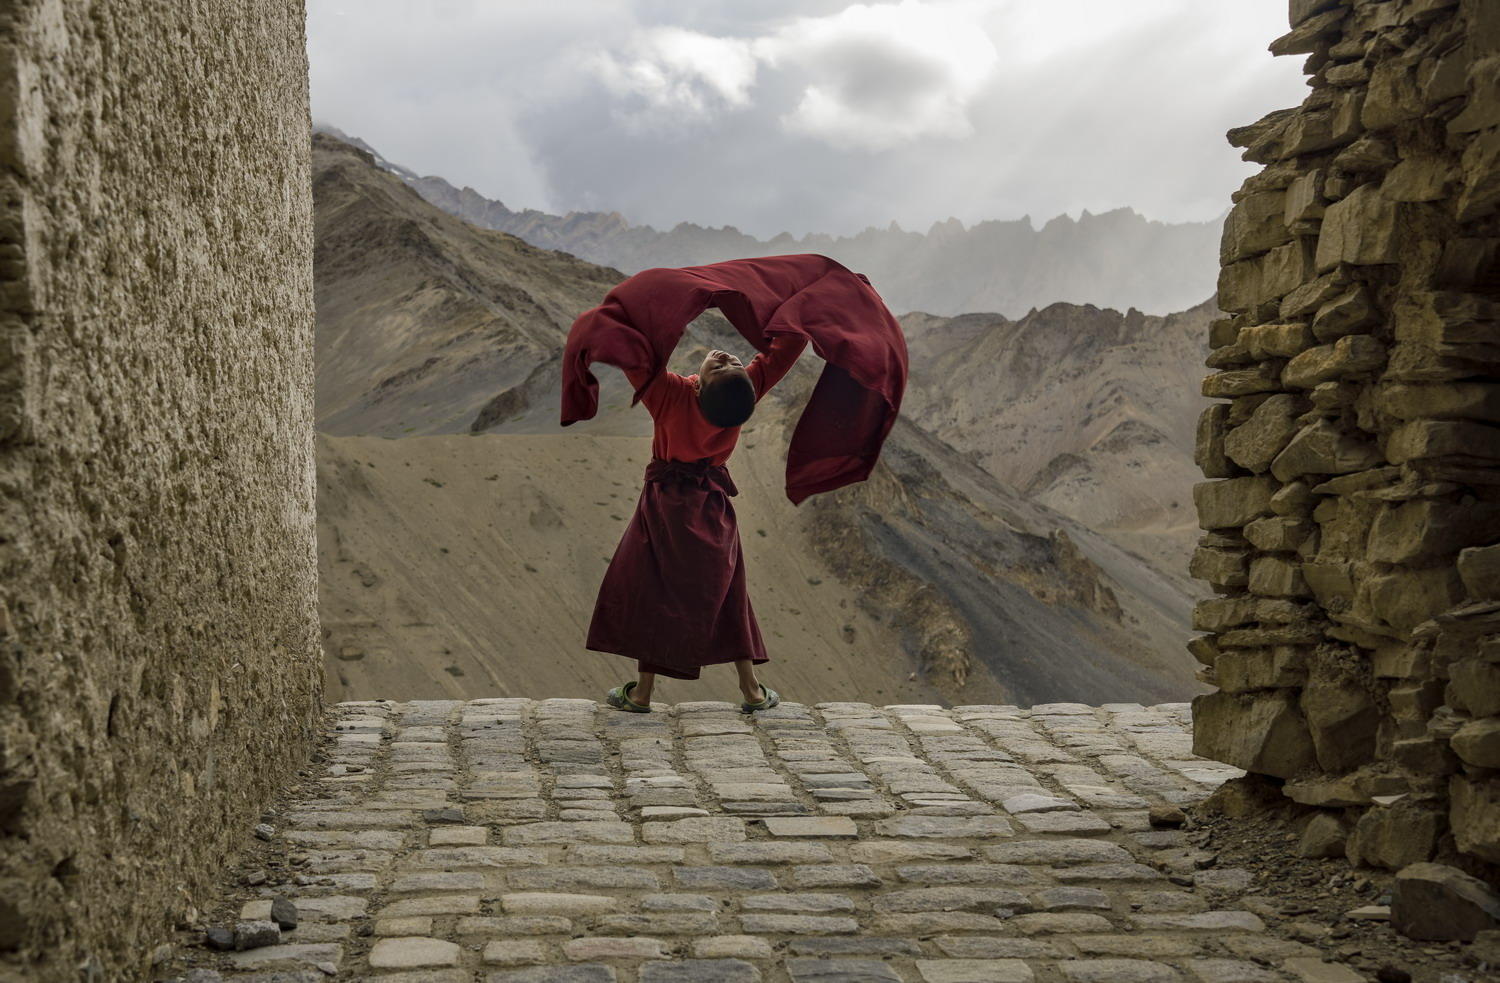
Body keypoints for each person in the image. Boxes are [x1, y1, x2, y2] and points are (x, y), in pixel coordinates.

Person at [588, 337, 807, 713]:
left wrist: (655, 315)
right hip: (712, 508)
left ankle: (642, 693)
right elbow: (784, 351)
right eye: (729, 364)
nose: (727, 359)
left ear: (702, 387)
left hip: (664, 508)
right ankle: (751, 690)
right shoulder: (742, 394)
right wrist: (797, 314)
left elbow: (635, 355)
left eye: (726, 367)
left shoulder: (671, 394)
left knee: (654, 588)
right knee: (727, 591)